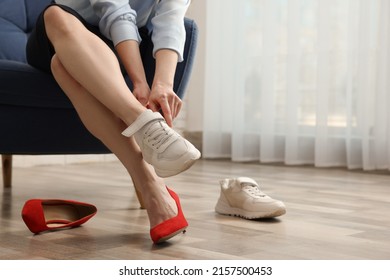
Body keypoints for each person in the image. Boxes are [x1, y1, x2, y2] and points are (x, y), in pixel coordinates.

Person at [25, 0, 200, 244]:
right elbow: (115, 11)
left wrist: (163, 84)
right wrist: (139, 82)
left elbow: (171, 19)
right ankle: (148, 145)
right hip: (61, 31)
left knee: (62, 65)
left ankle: (152, 185)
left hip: (115, 47)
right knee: (55, 15)